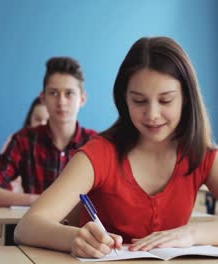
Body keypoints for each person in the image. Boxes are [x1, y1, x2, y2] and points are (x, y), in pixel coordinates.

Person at [14, 36, 218, 259]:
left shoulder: (202, 154)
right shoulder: (100, 154)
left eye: (165, 100)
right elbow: (27, 227)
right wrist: (74, 238)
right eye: (139, 101)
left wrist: (193, 233)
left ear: (187, 98)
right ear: (124, 99)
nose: (152, 114)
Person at [0, 57, 96, 209]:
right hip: (34, 230)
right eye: (53, 93)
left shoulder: (95, 143)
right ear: (43, 98)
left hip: (80, 231)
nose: (61, 102)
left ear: (83, 99)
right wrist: (40, 200)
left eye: (69, 93)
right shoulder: (24, 140)